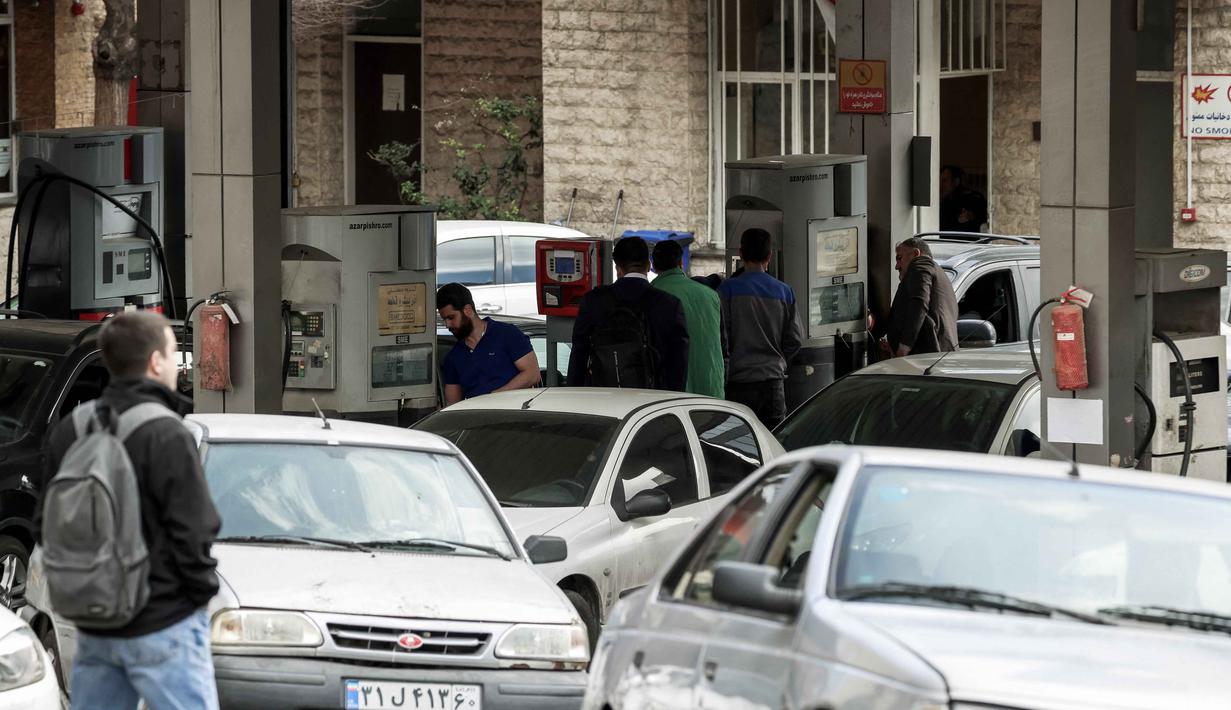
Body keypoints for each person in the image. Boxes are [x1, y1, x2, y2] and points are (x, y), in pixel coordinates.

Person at [36, 311, 221, 709]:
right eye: (174, 353)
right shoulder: (168, 432)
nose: (177, 364)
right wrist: (198, 597)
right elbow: (196, 530)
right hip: (163, 620)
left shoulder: (71, 429)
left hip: (95, 624)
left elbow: (44, 525)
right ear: (156, 361)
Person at [568, 236, 689, 390]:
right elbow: (678, 365)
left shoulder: (593, 301)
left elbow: (579, 354)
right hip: (652, 400)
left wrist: (574, 392)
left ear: (618, 268)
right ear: (648, 265)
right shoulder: (669, 305)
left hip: (603, 397)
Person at [719, 228, 803, 428]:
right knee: (772, 443)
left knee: (738, 445)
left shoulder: (727, 289)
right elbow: (795, 340)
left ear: (740, 253)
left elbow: (722, 337)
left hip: (738, 384)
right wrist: (778, 360)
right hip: (773, 384)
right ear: (769, 255)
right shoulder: (784, 291)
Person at [438, 282, 540, 405]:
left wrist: (494, 397)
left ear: (468, 310)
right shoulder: (454, 357)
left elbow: (532, 374)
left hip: (516, 417)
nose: (447, 325)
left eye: (451, 317)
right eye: (444, 319)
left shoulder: (507, 334)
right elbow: (453, 406)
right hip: (478, 421)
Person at [651, 240, 725, 398]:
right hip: (712, 392)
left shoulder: (651, 295)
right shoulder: (711, 295)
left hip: (672, 398)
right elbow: (724, 346)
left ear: (653, 265)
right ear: (680, 263)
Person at [877, 237, 959, 357]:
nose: (896, 266)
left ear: (916, 253)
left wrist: (904, 346)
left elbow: (919, 303)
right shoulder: (937, 273)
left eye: (899, 258)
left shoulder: (921, 263)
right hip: (931, 357)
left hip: (925, 359)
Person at [939, 165, 988, 233]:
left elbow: (985, 219)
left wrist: (972, 216)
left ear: (956, 181)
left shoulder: (974, 199)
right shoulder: (941, 200)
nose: (940, 185)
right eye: (940, 181)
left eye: (944, 181)